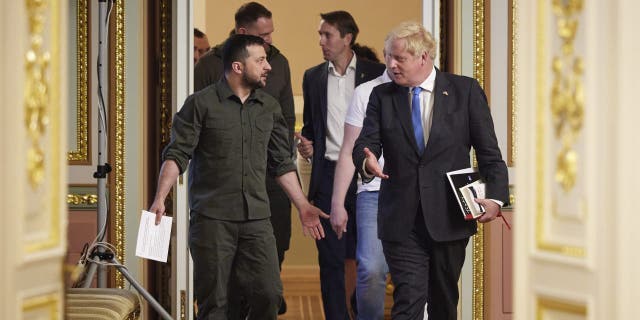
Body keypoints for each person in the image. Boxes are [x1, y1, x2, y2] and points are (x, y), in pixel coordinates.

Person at [149, 34, 328, 320]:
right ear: (237, 67)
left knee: (269, 295)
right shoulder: (200, 104)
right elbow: (177, 154)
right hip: (212, 220)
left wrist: (303, 206)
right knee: (215, 305)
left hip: (257, 219)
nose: (268, 66)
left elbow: (281, 163)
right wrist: (160, 198)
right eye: (260, 60)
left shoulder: (269, 108)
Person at [353, 21, 509, 320]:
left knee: (443, 304)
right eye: (388, 56)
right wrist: (367, 161)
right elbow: (366, 143)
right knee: (408, 301)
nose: (391, 64)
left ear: (424, 57)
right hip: (401, 218)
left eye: (399, 58)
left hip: (450, 216)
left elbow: (489, 154)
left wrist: (496, 197)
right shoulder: (381, 96)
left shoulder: (464, 91)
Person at [193, 2, 295, 314]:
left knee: (268, 277)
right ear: (242, 33)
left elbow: (287, 119)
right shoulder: (210, 66)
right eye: (263, 36)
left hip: (270, 183)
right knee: (224, 288)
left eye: (271, 34)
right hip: (220, 193)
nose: (270, 42)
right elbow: (196, 130)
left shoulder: (280, 63)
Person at [297, 10, 385, 320]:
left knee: (367, 259)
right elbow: (311, 129)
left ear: (347, 38)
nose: (321, 41)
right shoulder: (313, 77)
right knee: (331, 261)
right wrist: (306, 146)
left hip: (368, 177)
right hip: (329, 175)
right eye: (320, 35)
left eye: (327, 35)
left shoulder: (378, 73)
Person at [331, 60, 392, 319]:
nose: (394, 63)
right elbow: (348, 150)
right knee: (370, 267)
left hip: (420, 192)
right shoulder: (366, 92)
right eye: (390, 56)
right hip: (373, 190)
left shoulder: (440, 90)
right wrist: (337, 204)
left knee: (415, 273)